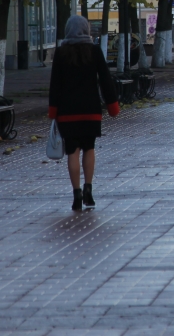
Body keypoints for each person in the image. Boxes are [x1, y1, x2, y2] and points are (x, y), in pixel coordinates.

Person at [48, 15, 120, 211]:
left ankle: (77, 194)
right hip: (91, 111)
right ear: (87, 30)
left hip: (67, 111)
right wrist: (113, 105)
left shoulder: (61, 53)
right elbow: (106, 79)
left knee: (72, 151)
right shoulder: (94, 51)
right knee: (89, 148)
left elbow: (55, 85)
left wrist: (52, 111)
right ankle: (89, 189)